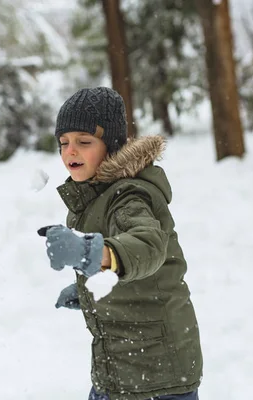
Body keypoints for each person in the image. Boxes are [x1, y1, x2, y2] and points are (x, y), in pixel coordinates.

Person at [38, 87, 203, 400]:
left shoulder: (128, 196)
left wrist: (89, 253)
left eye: (84, 142)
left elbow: (147, 245)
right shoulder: (98, 194)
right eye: (64, 143)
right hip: (123, 369)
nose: (70, 151)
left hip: (157, 375)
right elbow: (125, 262)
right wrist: (91, 289)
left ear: (111, 147)